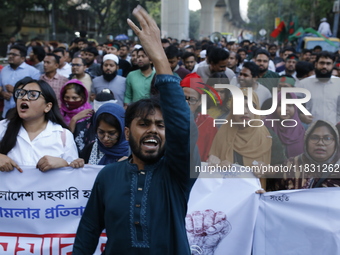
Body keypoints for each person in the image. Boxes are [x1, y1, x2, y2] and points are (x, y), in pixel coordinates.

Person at [72, 6, 199, 254]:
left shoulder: (177, 173)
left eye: (161, 125)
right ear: (128, 133)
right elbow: (88, 230)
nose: (153, 130)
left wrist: (160, 59)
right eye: (144, 124)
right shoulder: (108, 176)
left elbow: (183, 129)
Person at [0, 77, 83, 172]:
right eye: (21, 94)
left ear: (47, 107)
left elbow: (74, 174)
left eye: (33, 95)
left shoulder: (62, 135)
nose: (24, 98)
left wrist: (64, 164)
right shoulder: (2, 128)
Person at [208, 88, 286, 189]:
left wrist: (267, 169)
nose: (245, 111)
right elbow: (211, 170)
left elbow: (282, 170)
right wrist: (216, 164)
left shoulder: (268, 136)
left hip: (258, 195)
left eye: (250, 107)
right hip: (227, 193)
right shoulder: (222, 134)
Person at [280, 120, 340, 190]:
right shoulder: (290, 165)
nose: (320, 143)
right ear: (306, 141)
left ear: (336, 144)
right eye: (314, 138)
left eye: (327, 138)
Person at [181, 72, 218, 161]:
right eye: (183, 98)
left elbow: (210, 155)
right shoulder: (167, 119)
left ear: (200, 102)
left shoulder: (208, 123)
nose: (186, 103)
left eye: (192, 100)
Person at [0, 44, 40, 119]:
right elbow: (0, 87)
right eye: (9, 54)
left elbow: (36, 93)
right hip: (6, 112)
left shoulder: (33, 72)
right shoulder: (4, 70)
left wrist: (16, 90)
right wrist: (3, 93)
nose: (10, 56)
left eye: (14, 55)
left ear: (22, 58)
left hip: (24, 113)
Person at [265, 92, 305, 158]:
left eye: (289, 105)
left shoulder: (303, 129)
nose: (285, 109)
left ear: (295, 107)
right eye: (280, 105)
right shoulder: (264, 126)